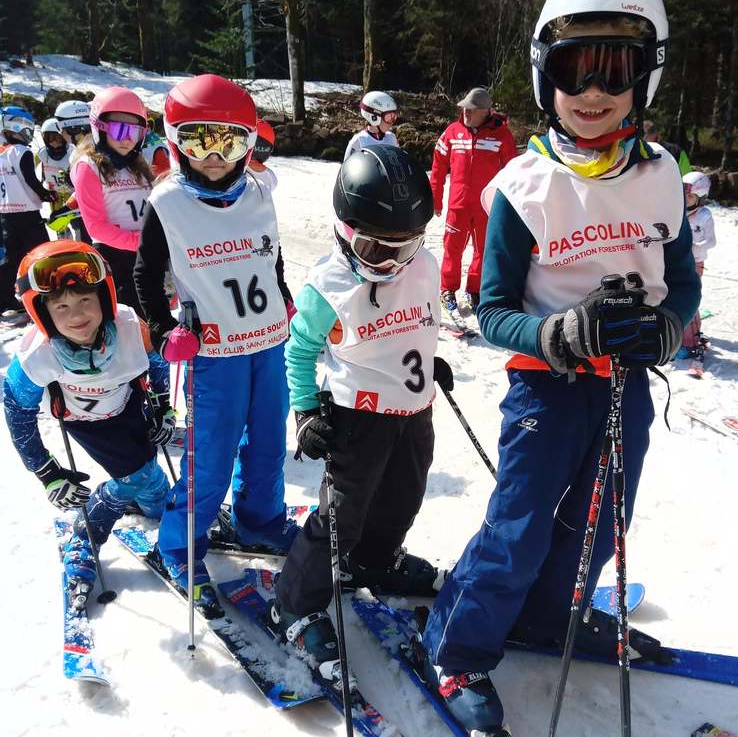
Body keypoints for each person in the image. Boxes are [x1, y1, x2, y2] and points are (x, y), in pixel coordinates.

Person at [419, 0, 701, 737]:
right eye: (576, 68)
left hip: (626, 385)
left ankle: (550, 614)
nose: (594, 89)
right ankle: (458, 649)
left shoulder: (662, 175)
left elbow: (683, 284)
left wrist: (666, 330)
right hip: (547, 388)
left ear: (647, 75)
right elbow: (491, 310)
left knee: (600, 523)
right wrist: (558, 334)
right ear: (548, 74)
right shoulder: (524, 184)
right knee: (518, 528)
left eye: (616, 68)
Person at [271, 144, 450, 691]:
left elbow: (416, 321)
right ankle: (293, 603)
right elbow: (299, 352)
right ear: (345, 232)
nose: (392, 263)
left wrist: (427, 358)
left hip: (414, 410)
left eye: (405, 246)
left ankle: (373, 561)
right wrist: (306, 410)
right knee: (341, 516)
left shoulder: (423, 266)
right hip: (359, 416)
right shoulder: (329, 287)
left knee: (403, 497)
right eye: (375, 249)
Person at [134, 73, 297, 613]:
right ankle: (180, 546)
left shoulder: (259, 190)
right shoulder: (167, 201)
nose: (213, 156)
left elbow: (270, 253)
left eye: (228, 142)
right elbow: (145, 273)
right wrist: (163, 330)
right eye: (198, 141)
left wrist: (283, 294)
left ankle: (260, 518)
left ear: (247, 144)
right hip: (214, 351)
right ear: (175, 141)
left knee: (269, 441)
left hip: (267, 341)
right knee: (212, 454)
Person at [3, 241, 171, 609]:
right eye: (61, 307)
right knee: (136, 476)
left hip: (130, 405)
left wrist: (163, 406)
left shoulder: (130, 327)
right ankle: (85, 536)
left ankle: (152, 502)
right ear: (42, 312)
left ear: (104, 298)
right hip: (86, 423)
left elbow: (157, 362)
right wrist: (47, 473)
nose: (77, 316)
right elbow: (17, 411)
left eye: (84, 301)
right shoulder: (36, 356)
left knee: (153, 486)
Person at [430, 87, 517, 316]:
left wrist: (509, 206)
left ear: (485, 111)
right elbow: (438, 167)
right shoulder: (452, 132)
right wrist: (435, 199)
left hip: (486, 207)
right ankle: (447, 289)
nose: (466, 113)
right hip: (457, 205)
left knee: (483, 250)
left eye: (471, 109)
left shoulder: (502, 136)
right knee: (452, 248)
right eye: (464, 108)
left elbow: (513, 173)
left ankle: (475, 290)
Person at [70, 87, 153, 315]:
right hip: (116, 257)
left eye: (135, 132)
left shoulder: (136, 164)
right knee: (133, 318)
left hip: (146, 252)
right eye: (119, 130)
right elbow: (96, 227)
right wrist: (141, 242)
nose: (127, 139)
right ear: (99, 128)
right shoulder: (88, 167)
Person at [0, 108, 56, 316]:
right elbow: (29, 179)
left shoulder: (2, 152)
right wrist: (45, 194)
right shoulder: (22, 151)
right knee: (42, 254)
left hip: (6, 213)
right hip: (27, 214)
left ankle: (5, 299)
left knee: (11, 259)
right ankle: (46, 293)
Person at [677, 171, 715, 359]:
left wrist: (696, 246)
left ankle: (691, 340)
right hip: (676, 260)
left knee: (688, 297)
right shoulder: (676, 211)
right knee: (673, 296)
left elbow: (711, 241)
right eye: (683, 195)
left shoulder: (704, 216)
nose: (686, 200)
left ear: (700, 197)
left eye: (690, 196)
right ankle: (674, 335)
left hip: (694, 263)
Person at [343, 91, 399, 160]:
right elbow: (347, 165)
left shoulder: (392, 138)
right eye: (389, 117)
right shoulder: (359, 141)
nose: (392, 122)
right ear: (374, 117)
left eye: (394, 117)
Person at [35, 118, 75, 215]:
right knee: (57, 218)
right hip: (55, 193)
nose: (54, 143)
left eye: (58, 138)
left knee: (74, 218)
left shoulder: (72, 153)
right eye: (50, 139)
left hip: (71, 193)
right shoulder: (42, 155)